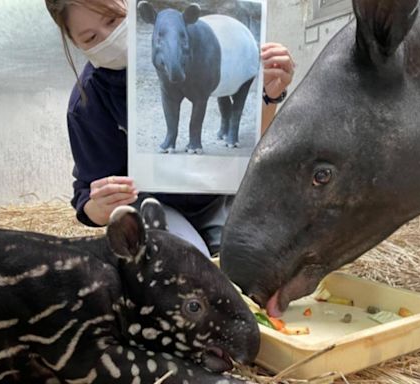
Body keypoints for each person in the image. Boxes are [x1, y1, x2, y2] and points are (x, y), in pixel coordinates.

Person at [45, 0, 295, 257]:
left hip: (218, 199)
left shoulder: (201, 48)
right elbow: (87, 195)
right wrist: (100, 206)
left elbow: (252, 144)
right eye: (90, 38)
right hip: (155, 207)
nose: (109, 38)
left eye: (113, 20)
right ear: (74, 43)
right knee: (190, 262)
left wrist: (268, 95)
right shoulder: (88, 102)